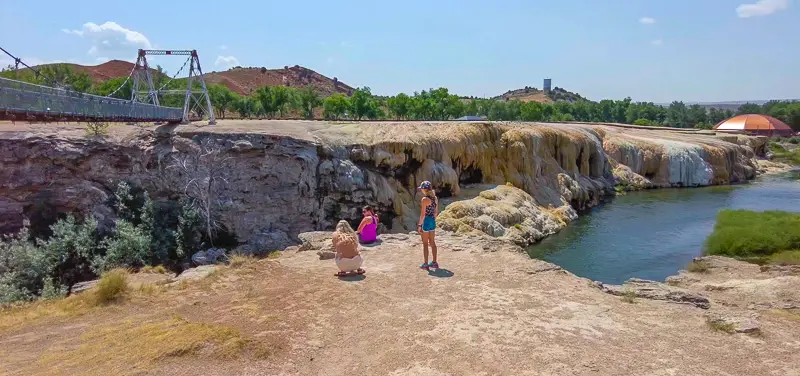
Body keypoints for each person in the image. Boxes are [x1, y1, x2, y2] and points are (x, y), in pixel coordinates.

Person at [416, 180, 439, 270]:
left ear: (424, 190)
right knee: (432, 242)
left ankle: (425, 264)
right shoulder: (435, 198)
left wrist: (419, 225)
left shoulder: (425, 200)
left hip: (426, 221)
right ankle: (434, 262)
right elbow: (436, 212)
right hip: (432, 221)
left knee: (425, 243)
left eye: (421, 189)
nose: (421, 190)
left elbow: (422, 214)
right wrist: (432, 219)